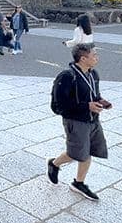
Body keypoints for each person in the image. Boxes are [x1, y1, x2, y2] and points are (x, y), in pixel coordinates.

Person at [47, 43, 111, 201]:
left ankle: (79, 183)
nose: (97, 57)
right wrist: (86, 106)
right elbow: (58, 106)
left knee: (88, 152)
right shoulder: (67, 77)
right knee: (76, 154)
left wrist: (101, 101)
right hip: (75, 121)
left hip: (93, 120)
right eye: (94, 55)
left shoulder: (93, 73)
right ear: (83, 58)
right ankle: (54, 164)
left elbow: (94, 95)